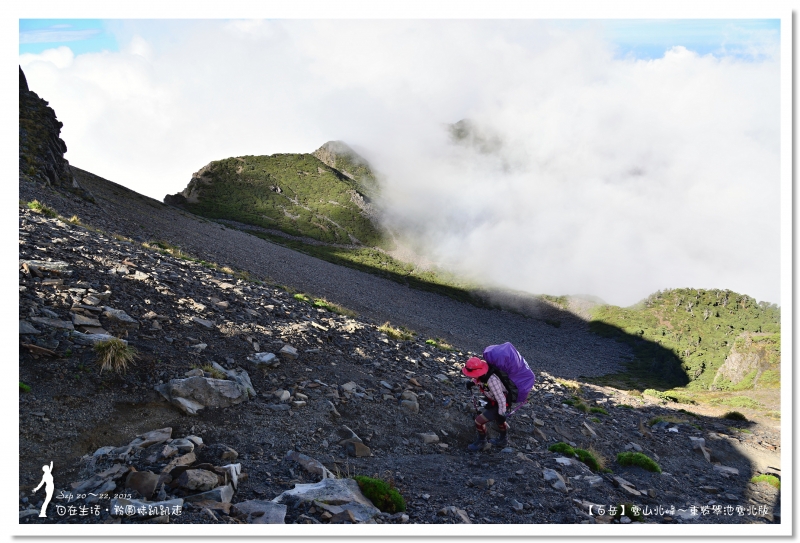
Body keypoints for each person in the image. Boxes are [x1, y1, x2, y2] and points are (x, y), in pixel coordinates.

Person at [463, 356, 510, 451]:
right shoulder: (483, 375)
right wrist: (473, 383)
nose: (471, 376)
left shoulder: (492, 380)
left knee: (478, 421)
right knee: (498, 420)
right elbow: (479, 379)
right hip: (493, 401)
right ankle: (503, 439)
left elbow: (501, 399)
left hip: (500, 403)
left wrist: (502, 413)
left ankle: (482, 441)